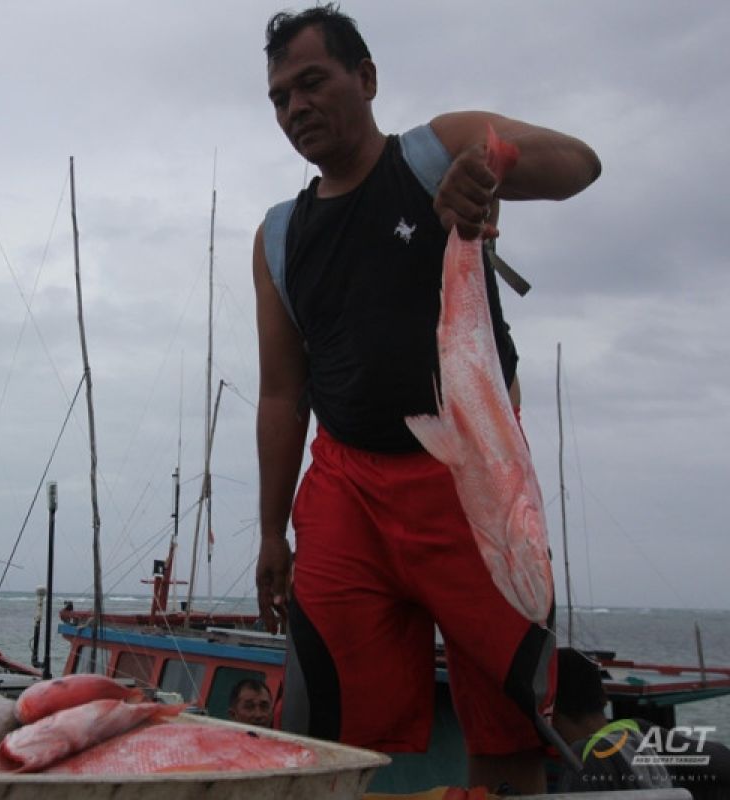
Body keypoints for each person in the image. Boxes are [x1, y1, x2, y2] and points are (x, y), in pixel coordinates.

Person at [251, 5, 601, 793]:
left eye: (312, 82)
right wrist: (272, 531)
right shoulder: (277, 236)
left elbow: (582, 164)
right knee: (324, 738)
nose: (295, 107)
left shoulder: (433, 151)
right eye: (279, 97)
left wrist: (490, 167)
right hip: (346, 490)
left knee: (510, 725)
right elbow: (281, 392)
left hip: (471, 484)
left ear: (367, 79)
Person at [553, 648, 730, 800]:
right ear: (604, 696)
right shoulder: (641, 731)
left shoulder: (580, 760)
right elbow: (720, 758)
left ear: (549, 710)